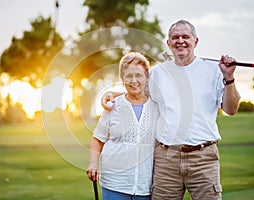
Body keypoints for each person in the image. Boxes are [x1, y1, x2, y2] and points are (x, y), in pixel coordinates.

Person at [101, 19, 240, 200]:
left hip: (203, 158)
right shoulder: (158, 73)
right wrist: (112, 93)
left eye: (185, 37)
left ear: (195, 42)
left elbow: (231, 109)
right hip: (166, 159)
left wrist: (229, 77)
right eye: (175, 37)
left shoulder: (214, 70)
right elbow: (136, 91)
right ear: (169, 43)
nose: (180, 41)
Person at [87, 52, 159, 200]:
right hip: (114, 184)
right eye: (129, 76)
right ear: (122, 79)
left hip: (145, 185)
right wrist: (93, 163)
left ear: (147, 77)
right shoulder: (112, 106)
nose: (134, 81)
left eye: (138, 75)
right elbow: (98, 138)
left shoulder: (157, 106)